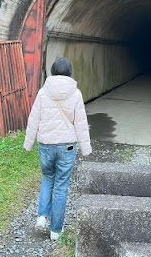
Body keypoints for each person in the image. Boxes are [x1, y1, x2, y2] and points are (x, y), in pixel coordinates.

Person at [23, 57, 92, 241]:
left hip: (46, 145)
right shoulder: (75, 93)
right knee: (61, 187)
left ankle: (42, 216)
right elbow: (81, 123)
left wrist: (28, 143)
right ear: (70, 72)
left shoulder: (43, 92)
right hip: (67, 146)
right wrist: (86, 148)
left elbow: (34, 119)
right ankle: (55, 231)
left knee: (47, 178)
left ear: (52, 71)